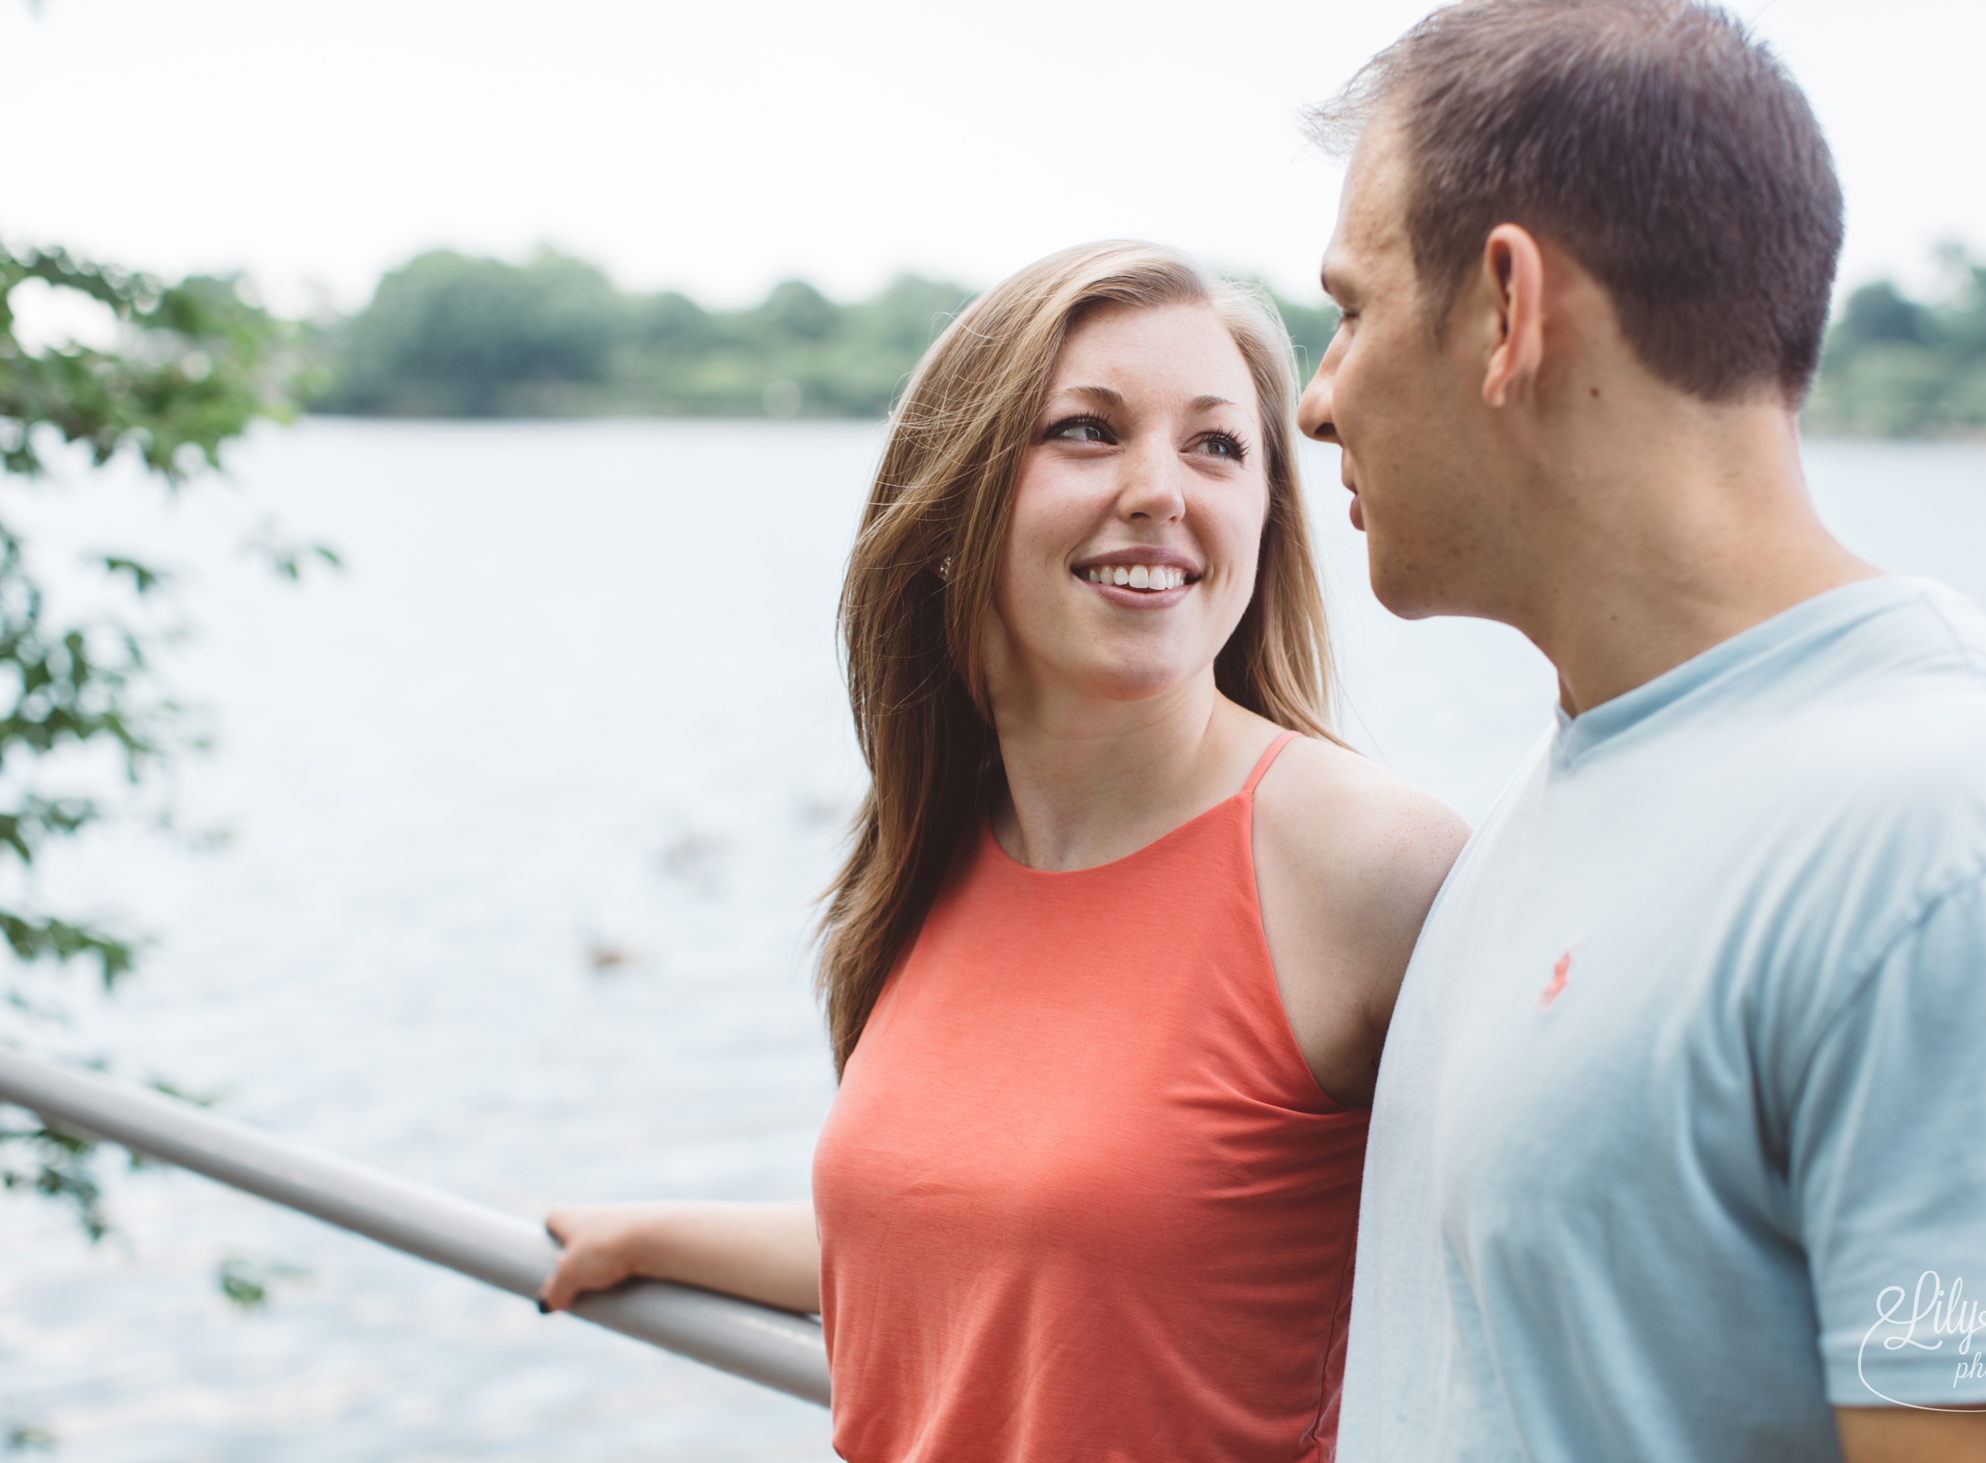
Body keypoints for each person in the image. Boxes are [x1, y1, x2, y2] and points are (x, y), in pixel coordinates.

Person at [1293, 3, 1986, 1460]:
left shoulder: (1962, 851)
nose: (1315, 399)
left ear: (1507, 309)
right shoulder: (1577, 772)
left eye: (1348, 309)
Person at [538, 240, 1466, 1462]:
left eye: (1215, 444)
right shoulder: (936, 843)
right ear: (958, 489)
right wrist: (656, 1235)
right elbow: (986, 1231)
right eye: (1087, 430)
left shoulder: (1369, 862)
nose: (1160, 490)